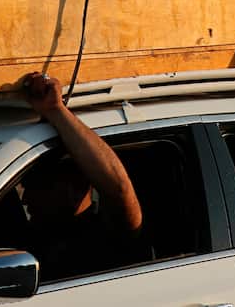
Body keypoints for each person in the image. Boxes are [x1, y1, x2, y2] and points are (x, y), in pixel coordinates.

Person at [16, 71, 146, 279]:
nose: (25, 198)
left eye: (36, 186)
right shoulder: (32, 239)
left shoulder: (106, 238)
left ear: (74, 186)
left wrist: (56, 110)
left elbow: (119, 190)